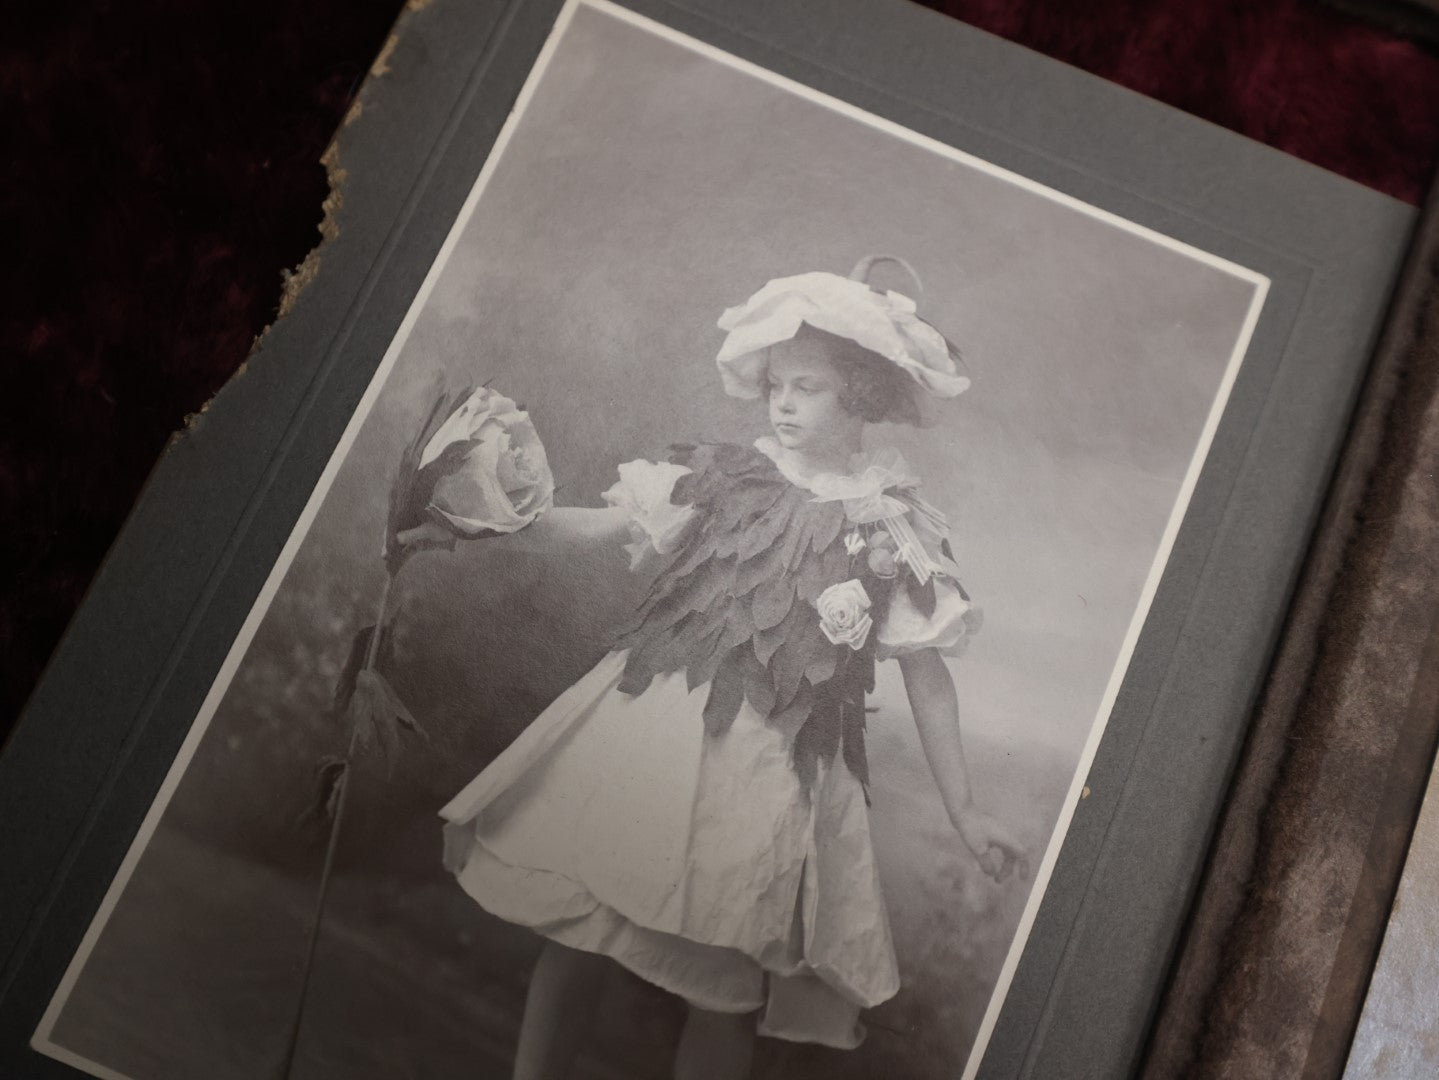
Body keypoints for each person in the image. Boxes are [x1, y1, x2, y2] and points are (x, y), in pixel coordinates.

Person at [423, 257, 1027, 1080]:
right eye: (776, 382)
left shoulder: (894, 525)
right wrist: (483, 525)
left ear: (859, 392)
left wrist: (963, 808)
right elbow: (599, 528)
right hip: (657, 732)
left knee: (724, 982)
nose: (780, 401)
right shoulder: (724, 476)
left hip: (773, 770)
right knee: (581, 929)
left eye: (805, 386)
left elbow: (927, 674)